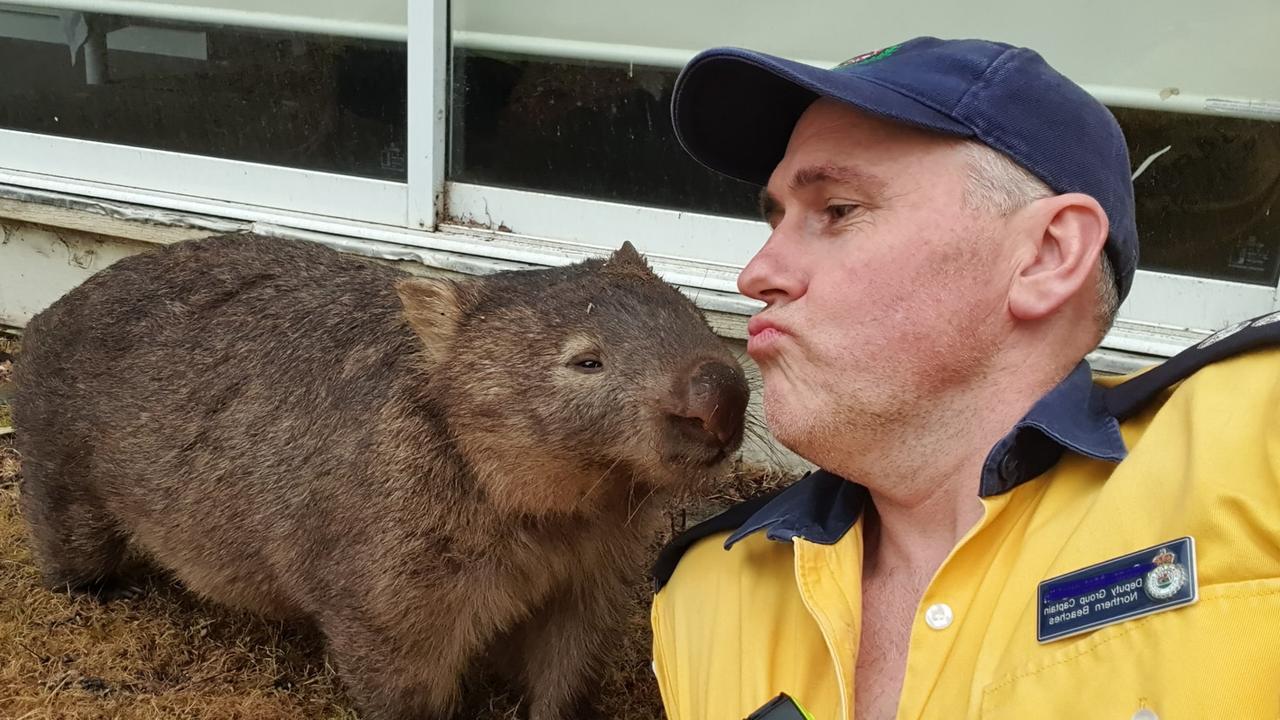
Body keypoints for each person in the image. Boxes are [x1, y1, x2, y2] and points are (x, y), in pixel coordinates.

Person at [649, 36, 1280, 720]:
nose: (755, 276)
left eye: (837, 210)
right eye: (774, 219)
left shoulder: (1249, 442)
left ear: (1046, 255)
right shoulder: (707, 596)